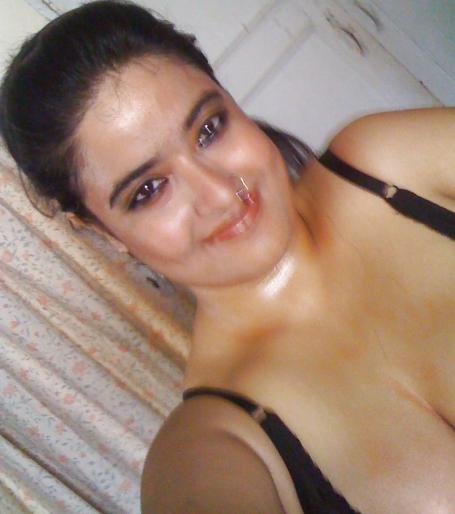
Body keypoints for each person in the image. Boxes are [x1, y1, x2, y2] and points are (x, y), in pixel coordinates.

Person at [1, 1, 454, 512]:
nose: (220, 194)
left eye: (210, 129)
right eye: (149, 190)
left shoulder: (388, 165)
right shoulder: (214, 444)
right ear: (103, 230)